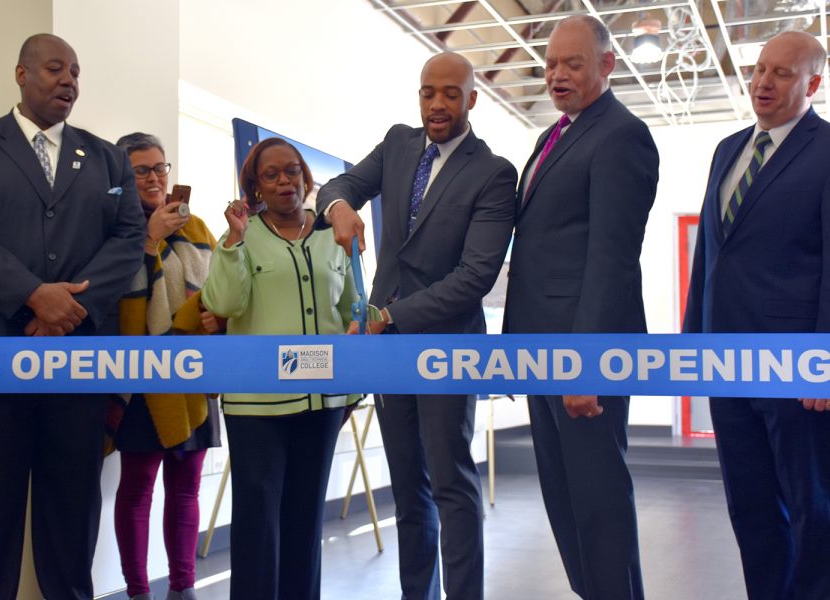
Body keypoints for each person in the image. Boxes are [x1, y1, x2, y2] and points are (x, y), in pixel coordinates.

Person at [0, 34, 146, 598]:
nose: (69, 80)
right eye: (55, 68)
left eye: (76, 72)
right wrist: (32, 294)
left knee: (72, 515)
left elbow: (128, 240)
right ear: (21, 73)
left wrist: (68, 307)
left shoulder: (107, 158)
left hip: (78, 361)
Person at [316, 52, 517, 600]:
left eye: (451, 93)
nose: (437, 103)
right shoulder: (399, 145)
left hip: (446, 345)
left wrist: (390, 315)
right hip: (387, 351)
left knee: (450, 484)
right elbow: (339, 184)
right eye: (429, 92)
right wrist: (337, 206)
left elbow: (474, 276)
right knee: (408, 488)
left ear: (472, 99)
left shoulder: (494, 173)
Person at [503, 15, 658, 599]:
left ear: (607, 65)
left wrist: (586, 360)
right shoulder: (553, 136)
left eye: (572, 63)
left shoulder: (621, 135)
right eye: (550, 65)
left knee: (597, 506)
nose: (557, 75)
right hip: (542, 350)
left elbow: (612, 258)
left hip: (581, 354)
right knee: (565, 504)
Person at [683, 30, 830, 600]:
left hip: (794, 367)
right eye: (760, 70)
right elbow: (711, 254)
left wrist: (822, 357)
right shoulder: (728, 149)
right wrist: (692, 344)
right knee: (750, 508)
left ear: (813, 84)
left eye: (783, 74)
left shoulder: (824, 150)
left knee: (813, 509)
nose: (764, 82)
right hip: (724, 364)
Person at [201, 137, 359, 600]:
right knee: (257, 522)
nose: (285, 181)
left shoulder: (335, 236)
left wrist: (352, 390)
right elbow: (225, 303)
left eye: (292, 171)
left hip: (323, 402)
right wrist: (232, 241)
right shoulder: (239, 239)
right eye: (271, 175)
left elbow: (353, 311)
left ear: (306, 178)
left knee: (307, 521)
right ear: (255, 187)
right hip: (255, 405)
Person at [109, 132, 223, 600]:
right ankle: (138, 591)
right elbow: (111, 294)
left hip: (192, 372)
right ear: (122, 175)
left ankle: (184, 588)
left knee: (186, 488)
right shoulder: (113, 227)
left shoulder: (194, 226)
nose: (155, 178)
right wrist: (149, 237)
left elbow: (218, 283)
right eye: (142, 170)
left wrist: (218, 313)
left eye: (161, 168)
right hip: (140, 377)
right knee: (137, 489)